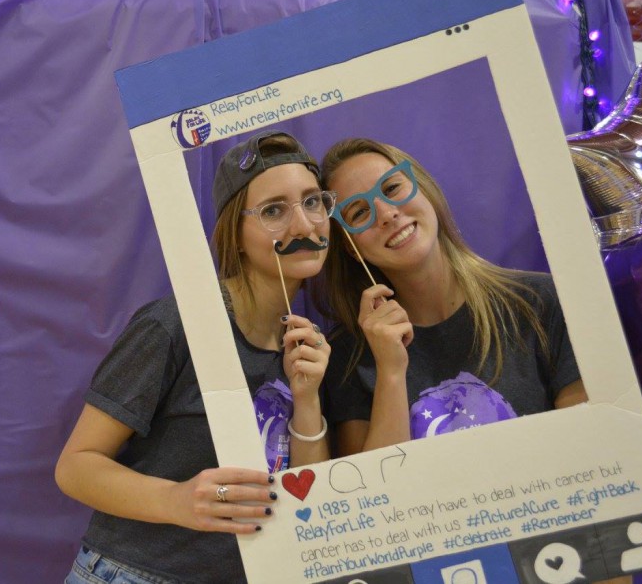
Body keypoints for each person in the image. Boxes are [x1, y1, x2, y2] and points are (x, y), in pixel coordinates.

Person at [56, 130, 335, 584]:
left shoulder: (309, 346)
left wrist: (307, 398)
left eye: (312, 202)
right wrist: (178, 499)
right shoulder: (175, 325)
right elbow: (75, 467)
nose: (304, 226)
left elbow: (310, 499)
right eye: (273, 211)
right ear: (236, 234)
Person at [316, 137, 587, 456]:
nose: (387, 214)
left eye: (391, 189)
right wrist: (390, 371)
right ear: (350, 246)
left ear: (425, 188)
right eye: (359, 212)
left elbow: (586, 451)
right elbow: (375, 495)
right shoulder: (348, 357)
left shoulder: (542, 302)